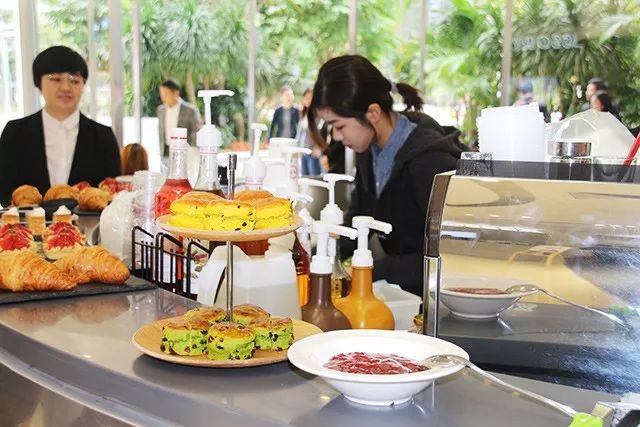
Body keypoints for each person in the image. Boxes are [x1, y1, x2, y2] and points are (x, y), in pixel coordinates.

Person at [308, 55, 466, 296]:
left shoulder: (430, 161)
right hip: (400, 292)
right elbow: (359, 219)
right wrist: (315, 258)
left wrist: (373, 270)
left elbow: (452, 254)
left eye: (339, 126)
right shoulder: (368, 150)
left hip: (434, 299)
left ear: (373, 113)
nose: (336, 137)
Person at [0, 45, 121, 204]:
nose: (65, 87)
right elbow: (5, 190)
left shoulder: (103, 137)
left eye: (74, 81)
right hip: (26, 220)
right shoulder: (15, 133)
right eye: (56, 79)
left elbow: (112, 194)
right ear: (38, 82)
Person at [157, 79, 202, 157]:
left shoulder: (191, 110)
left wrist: (192, 152)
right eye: (162, 94)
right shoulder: (160, 110)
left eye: (166, 94)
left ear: (176, 93)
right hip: (165, 152)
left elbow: (197, 133)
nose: (163, 97)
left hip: (185, 152)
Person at [296, 88, 324, 176]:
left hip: (313, 153)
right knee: (304, 178)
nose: (308, 99)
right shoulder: (303, 114)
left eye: (310, 97)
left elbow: (322, 132)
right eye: (306, 97)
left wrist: (318, 147)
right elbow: (300, 133)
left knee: (314, 178)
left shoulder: (319, 114)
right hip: (303, 152)